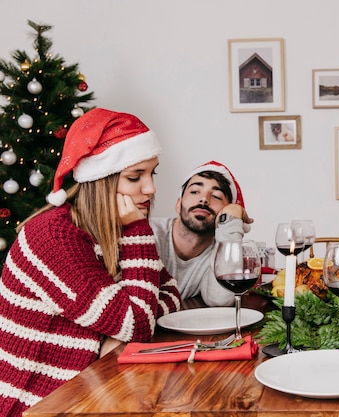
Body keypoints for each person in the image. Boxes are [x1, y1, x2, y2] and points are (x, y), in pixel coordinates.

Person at [0, 108, 181, 417]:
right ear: (100, 181)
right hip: (39, 403)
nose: (150, 188)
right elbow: (138, 323)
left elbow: (170, 293)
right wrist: (137, 230)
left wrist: (118, 329)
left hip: (89, 389)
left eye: (152, 173)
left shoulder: (105, 230)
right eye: (135, 177)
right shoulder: (54, 237)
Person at [150, 161, 253, 306]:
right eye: (194, 192)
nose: (204, 199)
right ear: (178, 204)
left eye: (216, 196)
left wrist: (230, 222)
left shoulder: (217, 252)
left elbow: (220, 300)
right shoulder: (148, 234)